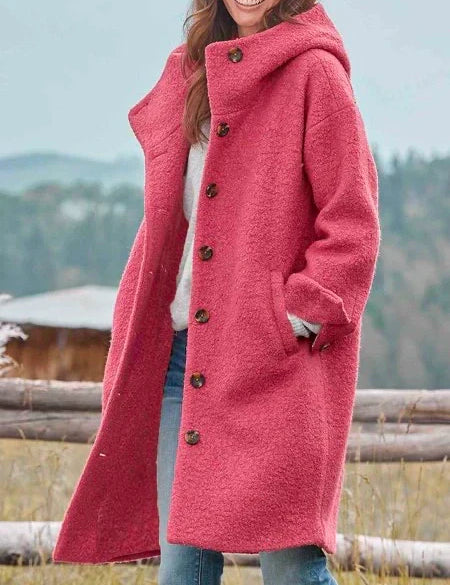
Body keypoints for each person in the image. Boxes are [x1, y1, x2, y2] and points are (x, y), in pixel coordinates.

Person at [53, 1, 380, 581]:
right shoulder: (193, 71)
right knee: (182, 569)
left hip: (273, 366)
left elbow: (352, 223)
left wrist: (290, 319)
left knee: (289, 566)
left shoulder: (315, 72)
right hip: (181, 359)